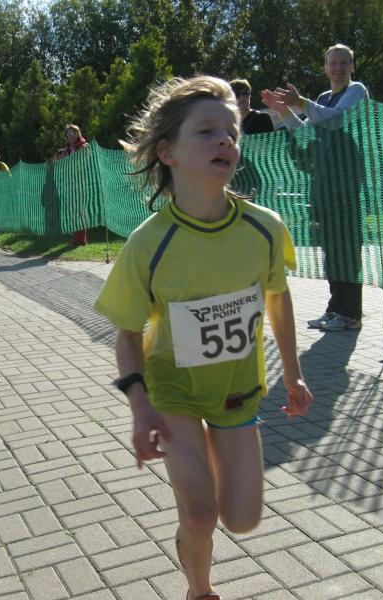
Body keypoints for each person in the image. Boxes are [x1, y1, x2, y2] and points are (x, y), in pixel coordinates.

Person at [94, 76, 313, 600]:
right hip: (172, 392)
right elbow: (127, 334)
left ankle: (207, 488)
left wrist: (295, 373)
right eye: (207, 131)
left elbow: (278, 298)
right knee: (199, 513)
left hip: (236, 390)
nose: (225, 141)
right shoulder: (149, 244)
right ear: (167, 152)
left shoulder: (264, 228)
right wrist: (139, 407)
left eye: (231, 132)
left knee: (242, 518)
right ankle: (199, 588)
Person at [262, 43, 368, 331]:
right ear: (325, 68)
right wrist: (284, 111)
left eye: (343, 63)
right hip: (324, 183)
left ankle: (351, 314)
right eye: (333, 63)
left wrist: (301, 102)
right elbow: (305, 130)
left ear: (351, 66)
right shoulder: (322, 97)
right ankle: (335, 310)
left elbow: (335, 121)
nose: (338, 68)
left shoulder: (356, 91)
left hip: (346, 183)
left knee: (347, 248)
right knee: (331, 248)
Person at [55, 124, 90, 246]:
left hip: (80, 184)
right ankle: (76, 237)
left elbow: (84, 162)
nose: (71, 135)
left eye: (73, 133)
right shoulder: (68, 149)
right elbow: (59, 162)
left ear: (78, 134)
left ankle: (80, 240)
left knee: (79, 211)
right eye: (69, 133)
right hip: (69, 184)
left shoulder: (83, 146)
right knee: (73, 211)